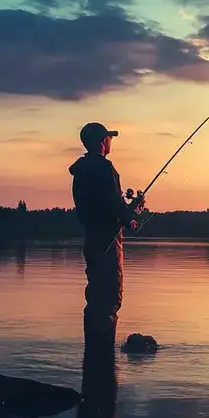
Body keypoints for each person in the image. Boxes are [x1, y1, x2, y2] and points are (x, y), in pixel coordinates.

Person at [69, 122, 145, 342]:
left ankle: (93, 356)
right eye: (109, 138)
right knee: (110, 297)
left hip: (92, 239)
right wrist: (131, 212)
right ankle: (103, 356)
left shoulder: (81, 171)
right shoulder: (105, 168)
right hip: (108, 241)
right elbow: (113, 206)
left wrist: (127, 213)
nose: (111, 141)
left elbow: (102, 205)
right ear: (103, 142)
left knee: (95, 297)